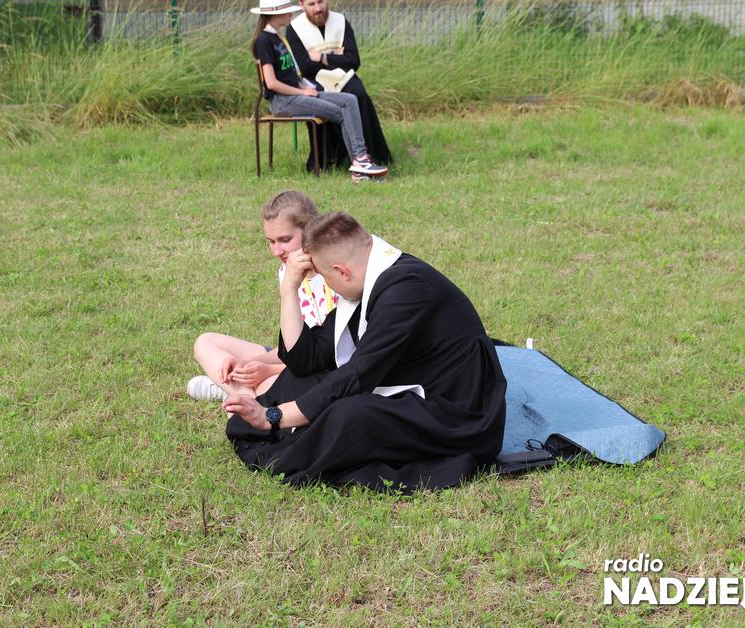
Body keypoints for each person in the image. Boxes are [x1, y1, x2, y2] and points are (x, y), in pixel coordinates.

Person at [224, 212, 507, 493]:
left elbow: (359, 374)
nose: (327, 285)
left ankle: (286, 435)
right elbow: (306, 360)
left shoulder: (407, 289)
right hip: (408, 384)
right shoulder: (369, 279)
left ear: (342, 272)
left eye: (325, 277)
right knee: (299, 381)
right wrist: (289, 291)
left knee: (347, 415)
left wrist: (274, 416)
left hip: (452, 412)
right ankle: (289, 430)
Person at [188, 191, 339, 402]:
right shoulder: (287, 271)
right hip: (293, 359)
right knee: (205, 343)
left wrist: (269, 370)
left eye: (285, 240)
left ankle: (239, 394)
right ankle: (243, 393)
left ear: (310, 230)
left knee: (271, 385)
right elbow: (291, 347)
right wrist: (250, 365)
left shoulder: (336, 274)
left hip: (323, 371)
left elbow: (331, 359)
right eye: (271, 241)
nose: (277, 251)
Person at [250, 0, 388, 182]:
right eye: (287, 11)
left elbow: (290, 75)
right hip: (284, 101)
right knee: (341, 112)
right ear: (274, 14)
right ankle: (359, 165)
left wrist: (305, 87)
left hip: (296, 94)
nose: (291, 14)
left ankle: (360, 160)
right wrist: (302, 92)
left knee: (349, 100)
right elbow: (272, 83)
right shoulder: (264, 41)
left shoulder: (278, 38)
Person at [286, 0, 392, 171]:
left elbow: (354, 61)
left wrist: (322, 57)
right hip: (314, 80)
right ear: (301, 4)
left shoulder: (341, 21)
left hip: (344, 76)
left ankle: (369, 155)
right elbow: (305, 67)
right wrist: (337, 56)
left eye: (321, 2)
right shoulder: (294, 29)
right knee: (323, 99)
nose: (318, 8)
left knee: (358, 93)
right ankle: (329, 158)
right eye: (311, 4)